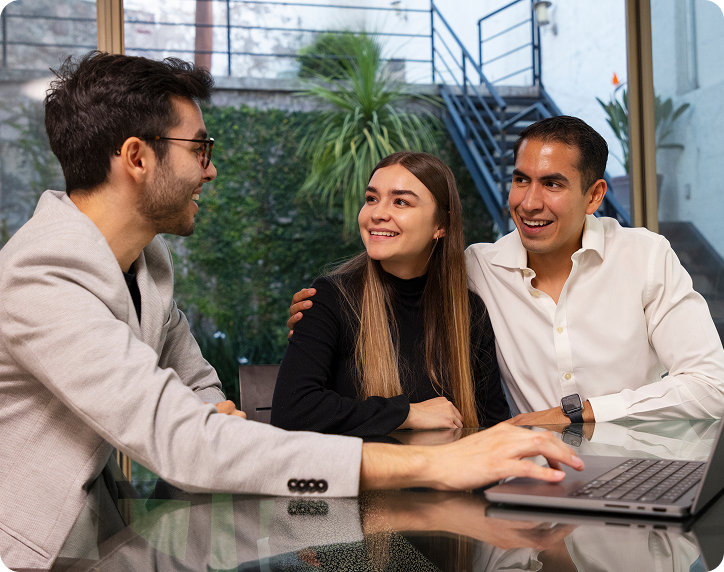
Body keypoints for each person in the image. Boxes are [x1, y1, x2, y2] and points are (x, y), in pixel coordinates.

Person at [0, 52, 583, 571]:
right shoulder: (41, 279)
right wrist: (433, 466)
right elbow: (186, 444)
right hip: (34, 547)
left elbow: (199, 388)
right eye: (199, 147)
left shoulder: (146, 262)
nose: (211, 168)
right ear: (136, 157)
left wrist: (213, 423)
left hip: (103, 537)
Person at [288, 116, 724, 426]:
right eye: (520, 180)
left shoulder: (644, 256)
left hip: (636, 465)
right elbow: (403, 278)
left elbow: (712, 385)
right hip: (524, 481)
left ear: (594, 197)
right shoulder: (476, 269)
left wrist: (573, 414)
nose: (529, 202)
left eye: (552, 184)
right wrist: (324, 312)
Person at [271, 152, 510, 437]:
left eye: (401, 202)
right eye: (371, 198)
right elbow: (292, 411)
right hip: (362, 480)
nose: (377, 213)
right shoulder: (330, 299)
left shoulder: (469, 311)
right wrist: (407, 413)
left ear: (441, 225)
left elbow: (491, 426)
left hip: (452, 478)